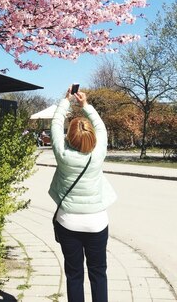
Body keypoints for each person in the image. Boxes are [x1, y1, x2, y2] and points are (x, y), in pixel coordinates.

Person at [49, 86, 116, 302]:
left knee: (74, 275)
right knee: (98, 273)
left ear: (70, 137)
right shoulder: (98, 154)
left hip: (68, 221)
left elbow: (55, 125)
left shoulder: (63, 154)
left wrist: (66, 101)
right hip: (96, 222)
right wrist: (85, 105)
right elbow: (101, 128)